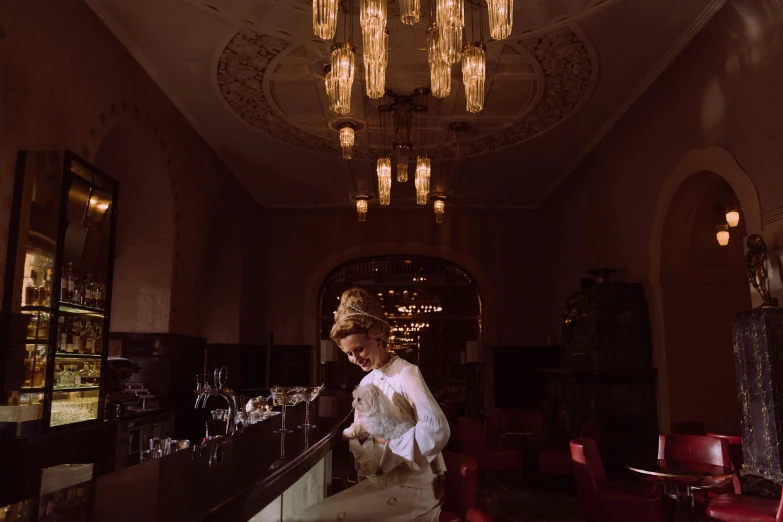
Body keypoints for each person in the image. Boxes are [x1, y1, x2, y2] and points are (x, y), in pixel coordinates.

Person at [296, 288, 450, 521]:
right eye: (348, 353)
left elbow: (436, 428)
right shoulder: (367, 380)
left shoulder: (406, 372)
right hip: (383, 483)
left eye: (359, 349)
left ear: (378, 339)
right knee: (307, 514)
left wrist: (388, 445)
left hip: (414, 487)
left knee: (313, 517)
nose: (354, 359)